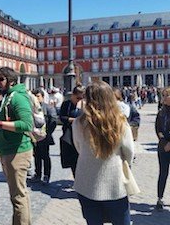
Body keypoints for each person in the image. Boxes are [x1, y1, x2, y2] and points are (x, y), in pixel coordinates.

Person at [72, 81, 134, 225]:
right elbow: (129, 151)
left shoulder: (78, 123)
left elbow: (79, 147)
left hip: (86, 180)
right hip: (114, 181)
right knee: (121, 221)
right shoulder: (120, 123)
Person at [0, 67, 33, 225]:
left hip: (17, 152)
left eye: (0, 79)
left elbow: (27, 124)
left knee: (19, 197)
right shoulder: (7, 97)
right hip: (8, 151)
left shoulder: (17, 98)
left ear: (10, 81)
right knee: (17, 196)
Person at [30, 88, 57, 184]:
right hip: (33, 136)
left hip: (45, 136)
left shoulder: (48, 108)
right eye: (34, 97)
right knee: (36, 155)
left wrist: (47, 132)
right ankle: (37, 174)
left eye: (38, 96)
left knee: (45, 156)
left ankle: (46, 175)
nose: (36, 99)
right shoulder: (31, 108)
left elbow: (53, 120)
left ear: (42, 97)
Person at [59, 85, 85, 177]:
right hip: (69, 133)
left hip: (82, 134)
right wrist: (73, 120)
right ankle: (76, 178)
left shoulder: (84, 105)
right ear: (72, 95)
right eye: (78, 98)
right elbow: (61, 117)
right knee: (72, 157)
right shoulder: (66, 104)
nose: (79, 100)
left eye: (81, 98)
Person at [155, 87, 170, 210]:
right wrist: (164, 142)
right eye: (163, 95)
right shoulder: (161, 112)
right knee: (163, 173)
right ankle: (159, 198)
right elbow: (158, 129)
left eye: (166, 95)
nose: (163, 98)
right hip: (163, 148)